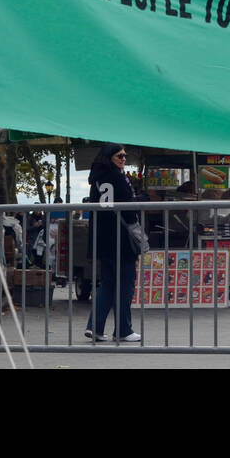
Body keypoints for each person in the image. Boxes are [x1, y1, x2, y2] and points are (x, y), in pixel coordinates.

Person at [85, 143, 141, 342]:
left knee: (108, 283)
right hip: (121, 238)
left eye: (125, 155)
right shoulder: (118, 177)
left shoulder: (97, 178)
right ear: (110, 156)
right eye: (120, 155)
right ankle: (124, 329)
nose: (124, 158)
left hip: (102, 238)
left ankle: (95, 326)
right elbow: (128, 208)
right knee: (126, 283)